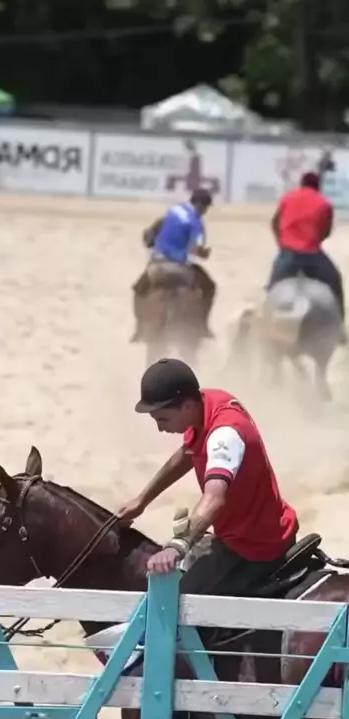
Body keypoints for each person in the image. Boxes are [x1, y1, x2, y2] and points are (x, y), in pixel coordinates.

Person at [117, 358, 299, 592]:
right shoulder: (206, 403)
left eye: (162, 419)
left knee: (173, 598)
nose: (160, 428)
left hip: (254, 544)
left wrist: (178, 545)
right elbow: (188, 453)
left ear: (187, 406)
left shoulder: (225, 435)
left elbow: (214, 498)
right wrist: (142, 501)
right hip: (238, 533)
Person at [133, 188, 215, 341]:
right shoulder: (196, 222)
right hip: (179, 269)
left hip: (156, 266)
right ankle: (202, 325)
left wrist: (153, 243)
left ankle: (139, 328)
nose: (205, 212)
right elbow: (194, 249)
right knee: (210, 287)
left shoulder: (172, 211)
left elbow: (149, 234)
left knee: (138, 290)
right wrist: (203, 254)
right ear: (201, 206)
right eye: (206, 208)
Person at [267, 171, 345, 326]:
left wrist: (282, 243)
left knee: (271, 287)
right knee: (335, 281)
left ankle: (264, 320)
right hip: (312, 255)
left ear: (301, 184)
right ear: (318, 186)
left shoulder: (287, 197)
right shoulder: (324, 203)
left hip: (287, 254)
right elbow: (326, 232)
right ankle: (340, 325)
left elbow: (275, 223)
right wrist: (313, 240)